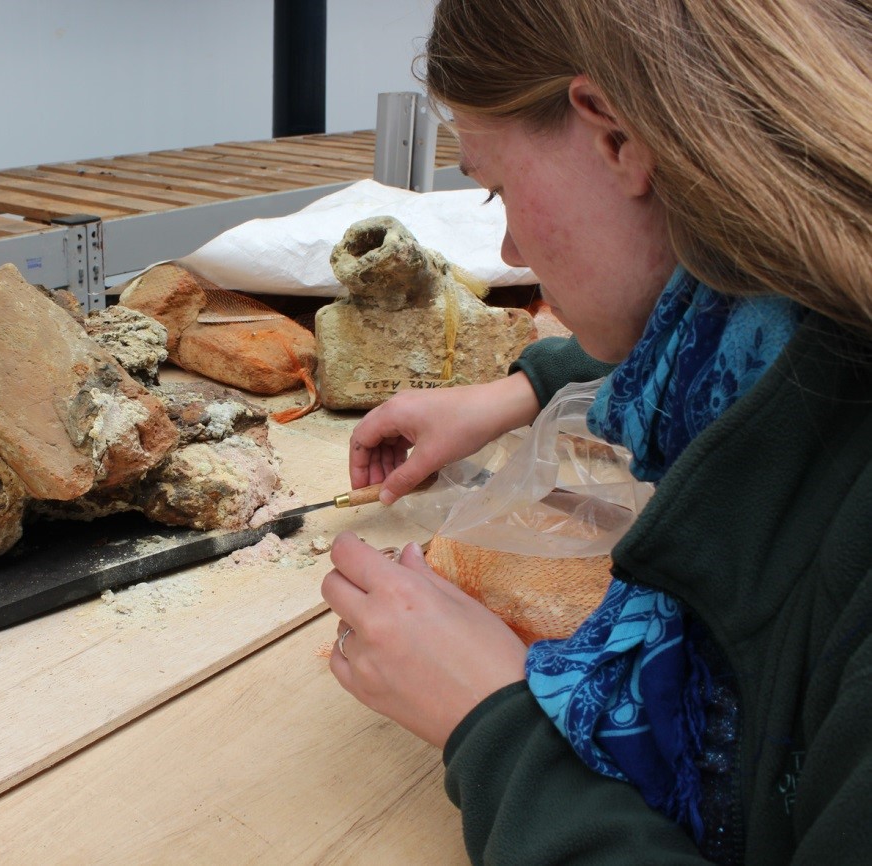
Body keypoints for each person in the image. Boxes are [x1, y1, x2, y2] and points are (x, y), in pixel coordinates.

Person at [320, 1, 872, 863]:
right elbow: (681, 342)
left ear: (616, 138)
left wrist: (490, 722)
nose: (505, 250)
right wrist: (521, 389)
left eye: (497, 187)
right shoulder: (787, 341)